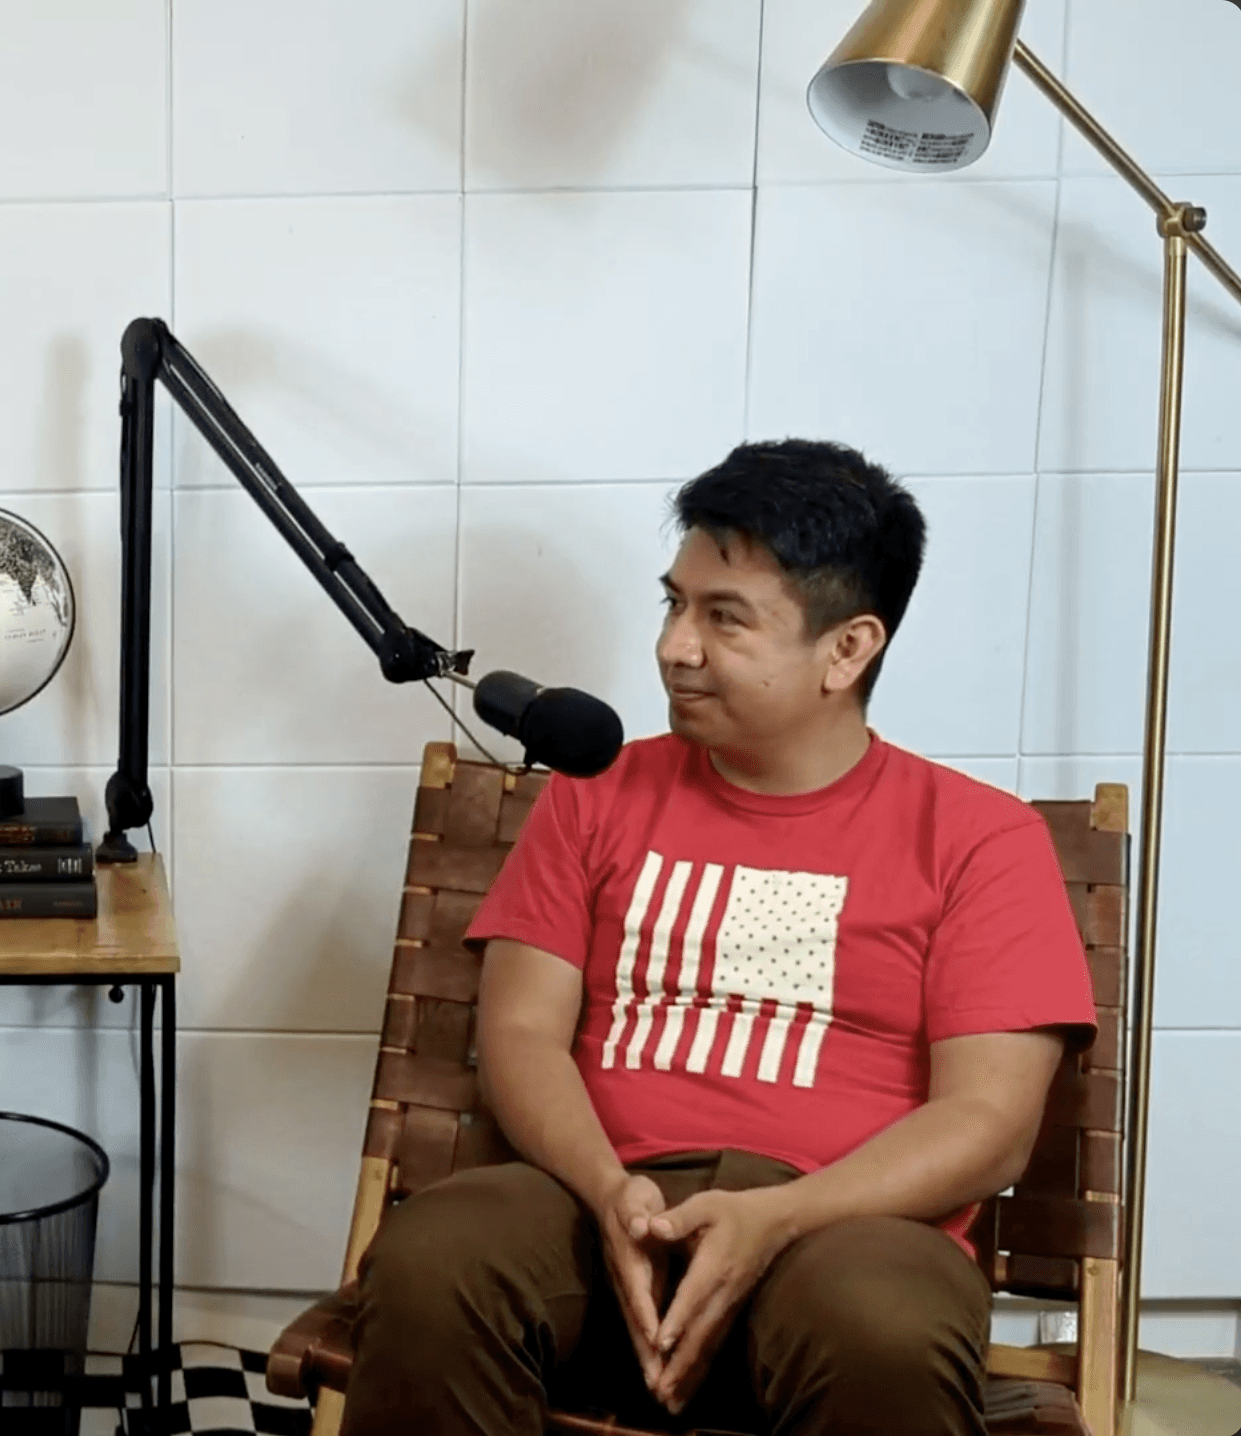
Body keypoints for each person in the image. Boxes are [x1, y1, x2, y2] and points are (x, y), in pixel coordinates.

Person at [339, 440, 1096, 1435]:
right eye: (674, 603)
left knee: (883, 1329)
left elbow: (988, 1121)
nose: (675, 646)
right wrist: (608, 1192)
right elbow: (520, 1031)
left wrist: (776, 1215)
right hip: (597, 1203)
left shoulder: (980, 839)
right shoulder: (595, 793)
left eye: (723, 617)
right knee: (434, 1259)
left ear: (847, 650)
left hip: (846, 1225)